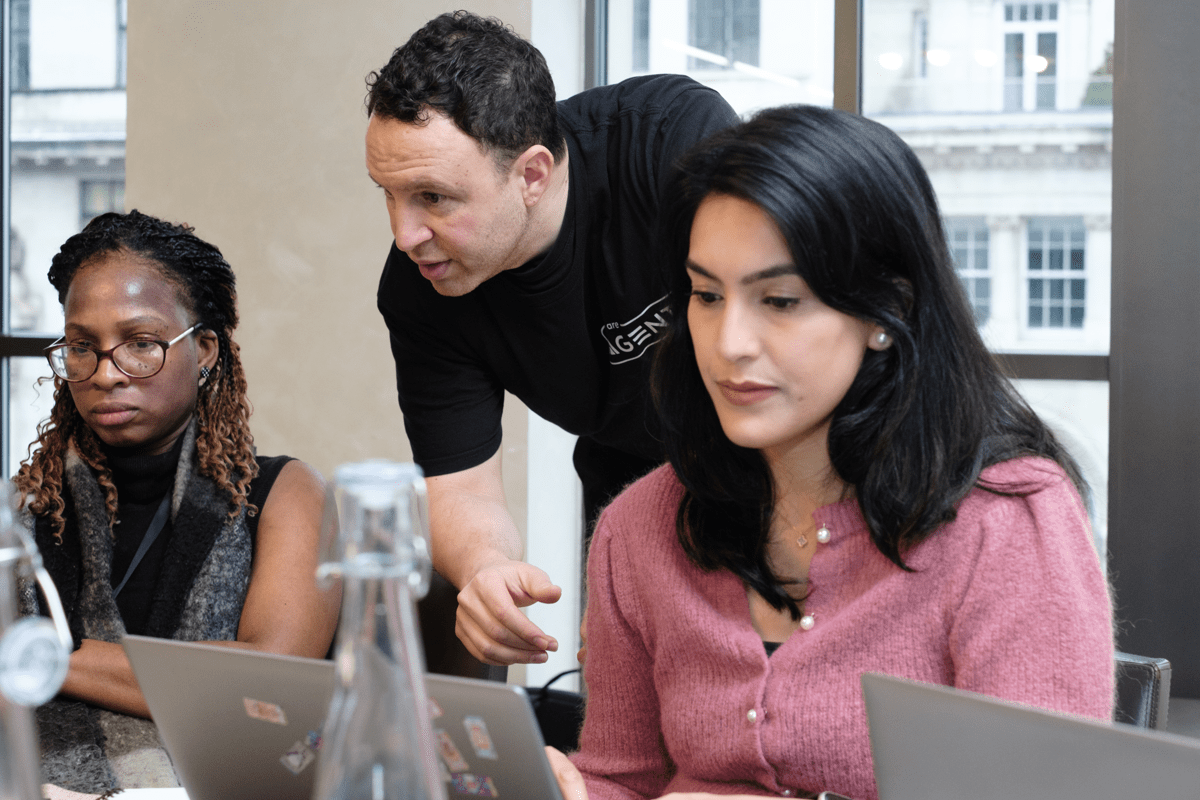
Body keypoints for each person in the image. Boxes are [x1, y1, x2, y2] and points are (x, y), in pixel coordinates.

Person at [545, 106, 1115, 800]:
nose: (729, 344)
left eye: (780, 301)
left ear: (884, 311)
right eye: (706, 295)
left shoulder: (1008, 521)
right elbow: (624, 780)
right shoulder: (640, 527)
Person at [367, 11, 739, 667]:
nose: (405, 234)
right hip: (629, 479)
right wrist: (486, 569)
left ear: (532, 175)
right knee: (630, 704)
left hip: (776, 460)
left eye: (433, 197)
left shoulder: (669, 145)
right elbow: (462, 487)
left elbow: (784, 335)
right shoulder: (421, 288)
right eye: (388, 195)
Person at [15, 210, 342, 793]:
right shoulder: (24, 507)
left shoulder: (284, 494)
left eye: (141, 344)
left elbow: (272, 679)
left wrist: (36, 657)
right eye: (83, 346)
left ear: (205, 349)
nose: (106, 374)